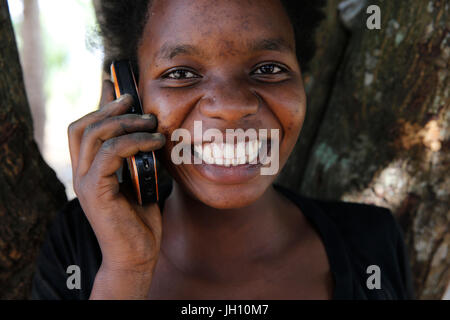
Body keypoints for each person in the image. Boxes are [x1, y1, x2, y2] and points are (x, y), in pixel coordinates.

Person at [31, 0, 414, 300]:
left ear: (302, 81)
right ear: (128, 98)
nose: (231, 106)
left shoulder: (373, 242)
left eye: (268, 68)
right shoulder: (79, 246)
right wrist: (127, 272)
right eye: (181, 73)